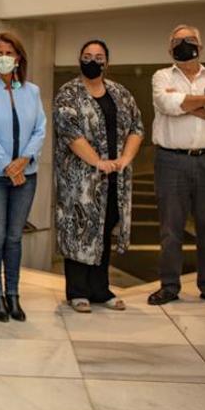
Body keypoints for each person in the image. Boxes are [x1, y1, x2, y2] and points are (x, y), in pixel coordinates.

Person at [148, 25, 205, 307]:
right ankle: (169, 286)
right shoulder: (162, 76)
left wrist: (186, 103)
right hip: (171, 161)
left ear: (201, 46)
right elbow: (166, 105)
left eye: (190, 40)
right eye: (178, 41)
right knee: (170, 228)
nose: (185, 45)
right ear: (169, 48)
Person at [54, 40, 144, 313]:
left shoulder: (120, 93)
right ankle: (77, 291)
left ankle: (100, 289)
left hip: (114, 178)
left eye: (99, 56)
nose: (93, 61)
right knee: (80, 230)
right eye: (87, 56)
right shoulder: (68, 93)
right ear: (79, 59)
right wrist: (98, 162)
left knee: (104, 229)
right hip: (80, 180)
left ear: (107, 62)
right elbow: (71, 133)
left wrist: (124, 160)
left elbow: (137, 127)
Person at [0, 32, 46, 322]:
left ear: (18, 58)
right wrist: (7, 166)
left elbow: (40, 128)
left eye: (9, 52)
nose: (4, 57)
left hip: (26, 176)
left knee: (15, 238)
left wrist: (24, 161)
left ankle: (14, 295)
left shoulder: (32, 91)